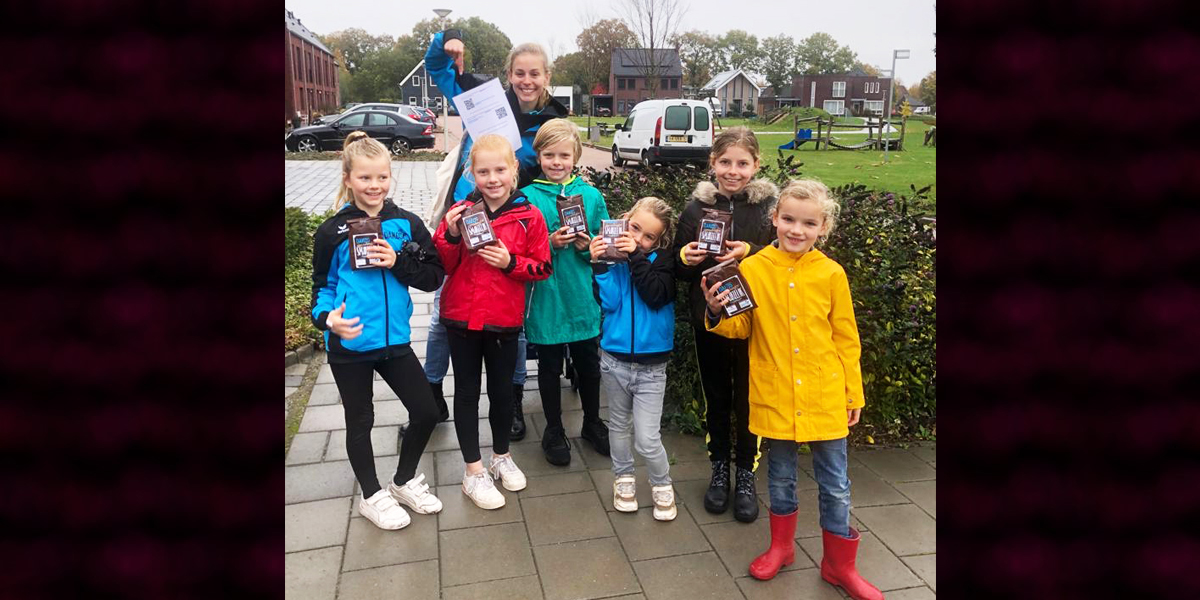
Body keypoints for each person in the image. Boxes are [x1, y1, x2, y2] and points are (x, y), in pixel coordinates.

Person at [702, 180, 882, 600]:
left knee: (835, 483)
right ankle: (781, 548)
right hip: (775, 392)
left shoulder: (831, 273)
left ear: (823, 228)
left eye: (808, 223)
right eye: (788, 219)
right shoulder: (753, 268)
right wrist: (716, 311)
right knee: (780, 477)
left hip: (825, 394)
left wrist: (853, 393)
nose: (796, 230)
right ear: (774, 219)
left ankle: (839, 565)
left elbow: (846, 338)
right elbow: (741, 327)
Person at [421, 30, 570, 436]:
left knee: (512, 321)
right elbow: (437, 68)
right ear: (509, 74)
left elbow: (560, 165)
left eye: (535, 74)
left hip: (515, 225)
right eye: (519, 73)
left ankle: (513, 398)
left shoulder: (553, 121)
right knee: (442, 315)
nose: (527, 80)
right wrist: (447, 39)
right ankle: (431, 395)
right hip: (466, 218)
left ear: (547, 76)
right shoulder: (484, 99)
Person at [310, 132, 445, 530]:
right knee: (360, 421)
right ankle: (371, 496)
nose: (375, 186)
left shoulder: (407, 224)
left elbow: (433, 277)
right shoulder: (331, 232)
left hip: (395, 341)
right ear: (348, 178)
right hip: (349, 343)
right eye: (365, 178)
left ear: (391, 176)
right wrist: (327, 319)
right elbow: (321, 289)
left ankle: (402, 482)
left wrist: (397, 262)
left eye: (382, 177)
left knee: (426, 412)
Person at [432, 134, 552, 509]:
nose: (492, 178)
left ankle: (501, 456)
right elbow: (441, 265)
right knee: (467, 393)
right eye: (483, 172)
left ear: (514, 169)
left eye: (500, 169)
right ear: (472, 173)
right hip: (461, 317)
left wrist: (510, 263)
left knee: (502, 392)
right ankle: (473, 471)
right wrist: (451, 235)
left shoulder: (530, 216)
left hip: (504, 320)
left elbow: (543, 267)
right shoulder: (460, 212)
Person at [672, 127, 778, 523]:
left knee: (749, 399)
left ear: (756, 165)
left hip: (756, 321)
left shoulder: (768, 208)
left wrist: (750, 251)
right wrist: (684, 257)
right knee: (716, 396)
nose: (733, 171)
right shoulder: (695, 209)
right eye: (725, 162)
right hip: (711, 318)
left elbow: (785, 257)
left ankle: (746, 473)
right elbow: (680, 269)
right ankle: (719, 468)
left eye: (742, 163)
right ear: (712, 163)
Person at [520, 118, 610, 465]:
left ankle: (592, 422)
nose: (556, 162)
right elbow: (521, 251)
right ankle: (554, 429)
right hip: (546, 297)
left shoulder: (591, 196)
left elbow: (605, 245)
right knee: (548, 366)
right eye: (549, 155)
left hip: (580, 294)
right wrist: (549, 243)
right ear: (538, 156)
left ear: (576, 156)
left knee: (589, 363)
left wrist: (589, 247)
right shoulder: (527, 199)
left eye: (564, 155)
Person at [589, 197, 678, 521]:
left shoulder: (663, 261)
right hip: (614, 361)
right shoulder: (613, 260)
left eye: (648, 236)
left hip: (652, 367)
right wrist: (599, 264)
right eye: (635, 228)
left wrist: (636, 257)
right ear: (624, 219)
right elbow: (610, 304)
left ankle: (661, 482)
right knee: (618, 426)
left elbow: (655, 295)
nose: (639, 239)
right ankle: (623, 477)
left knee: (648, 437)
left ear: (660, 240)